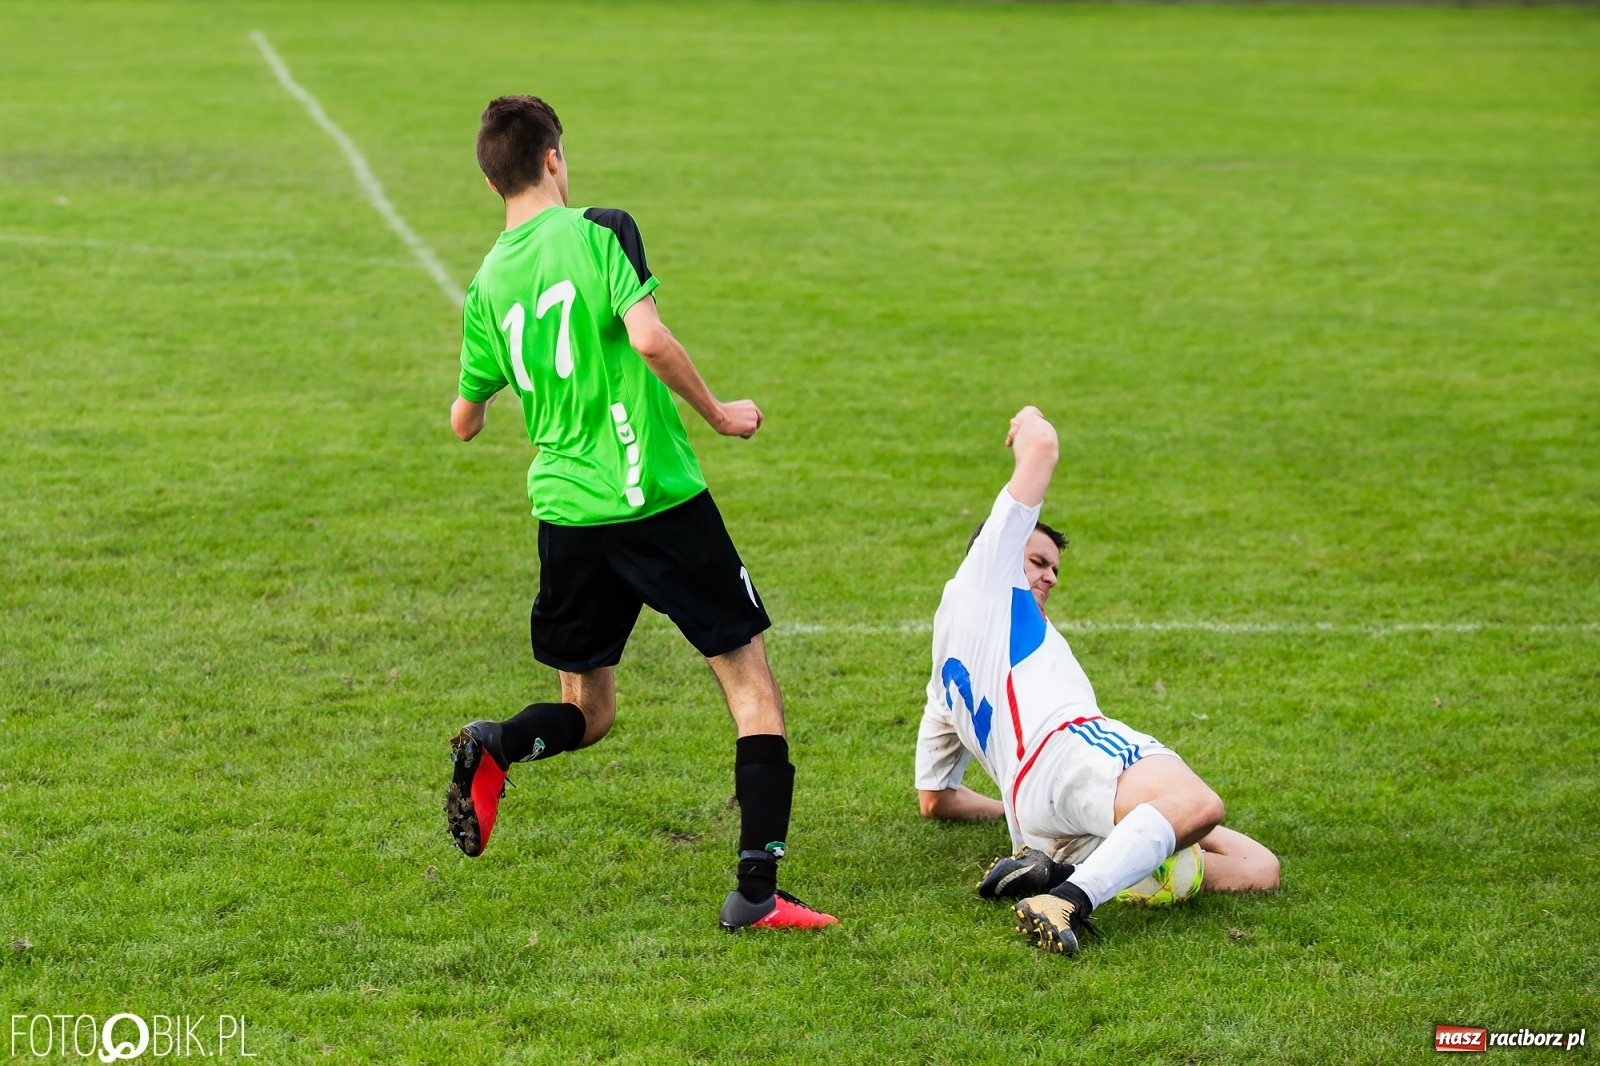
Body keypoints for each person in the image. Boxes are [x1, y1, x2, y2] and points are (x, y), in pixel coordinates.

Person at [443, 95, 835, 931]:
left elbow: (464, 418)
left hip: (566, 516)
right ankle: (756, 894)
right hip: (654, 499)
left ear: (489, 182)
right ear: (555, 158)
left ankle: (501, 745)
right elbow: (650, 339)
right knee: (751, 691)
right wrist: (722, 413)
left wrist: (486, 408)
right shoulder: (602, 229)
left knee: (590, 712)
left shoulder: (485, 283)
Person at [915, 406, 1277, 955]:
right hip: (1069, 751)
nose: (1049, 575)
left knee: (1258, 867)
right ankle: (1068, 898)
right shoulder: (985, 578)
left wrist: (1013, 809)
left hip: (1035, 816)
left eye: (1055, 569)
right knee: (1195, 803)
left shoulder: (943, 682)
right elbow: (1041, 447)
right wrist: (1028, 416)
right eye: (1037, 560)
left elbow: (934, 800)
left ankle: (1055, 870)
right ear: (998, 549)